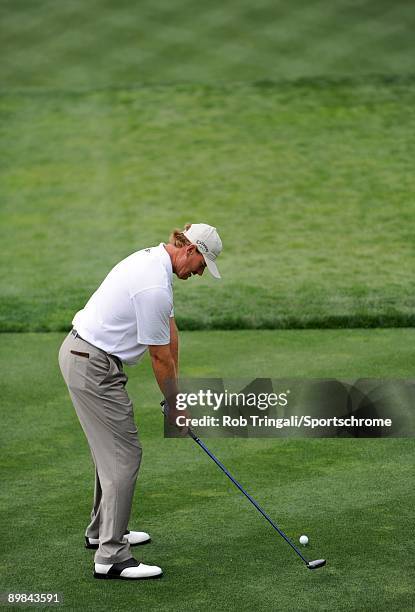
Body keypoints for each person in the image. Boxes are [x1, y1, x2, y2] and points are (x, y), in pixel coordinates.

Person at [58, 223, 222, 580]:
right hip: (93, 365)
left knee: (113, 452)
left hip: (89, 358)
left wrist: (177, 393)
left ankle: (103, 532)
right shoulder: (153, 285)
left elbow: (170, 333)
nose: (200, 272)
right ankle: (112, 556)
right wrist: (176, 405)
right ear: (191, 249)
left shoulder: (156, 265)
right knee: (124, 453)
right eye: (202, 264)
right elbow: (158, 358)